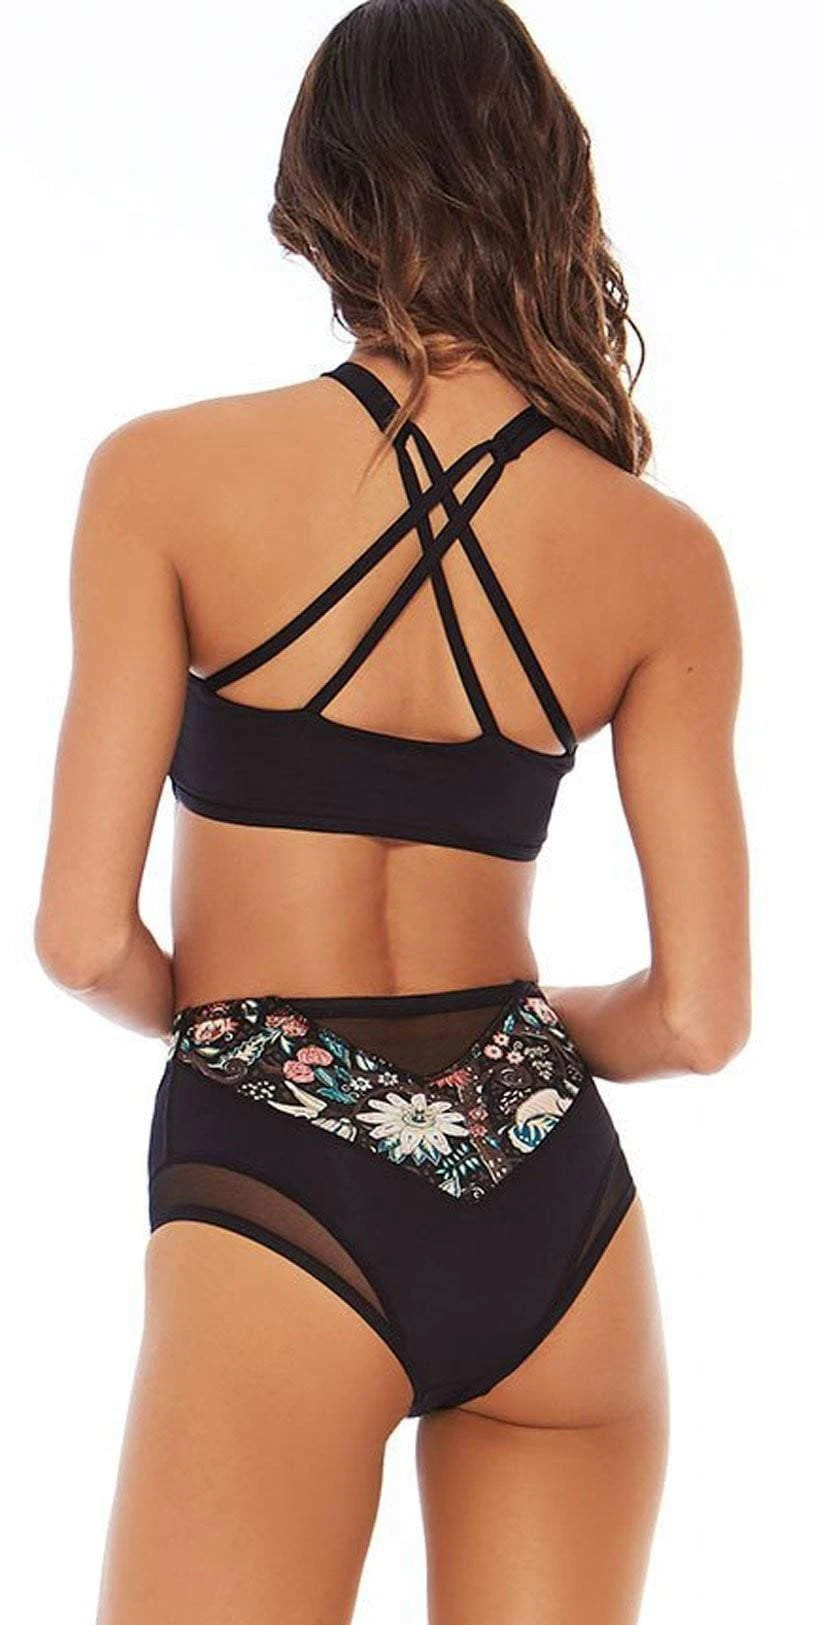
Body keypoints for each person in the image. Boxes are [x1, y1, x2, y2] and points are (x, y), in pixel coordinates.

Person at [35, 1, 750, 1620]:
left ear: (325, 189)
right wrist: (518, 1042)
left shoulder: (164, 478)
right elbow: (702, 1020)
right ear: (548, 185)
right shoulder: (664, 557)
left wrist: (250, 1039)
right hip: (553, 1197)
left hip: (274, 1184)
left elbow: (81, 939)